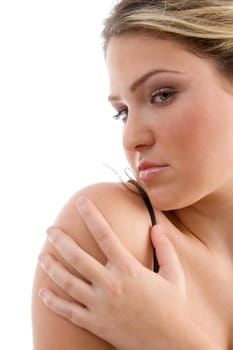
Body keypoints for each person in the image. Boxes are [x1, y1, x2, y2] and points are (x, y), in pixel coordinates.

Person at [31, 1, 233, 349]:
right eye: (121, 112)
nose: (131, 138)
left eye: (162, 95)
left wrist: (170, 339)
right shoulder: (107, 234)